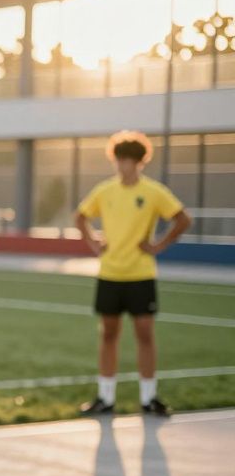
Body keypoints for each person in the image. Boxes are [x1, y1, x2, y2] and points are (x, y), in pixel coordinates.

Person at [75, 131, 192, 417]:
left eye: (128, 160)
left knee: (145, 334)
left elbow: (182, 219)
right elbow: (80, 216)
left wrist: (158, 245)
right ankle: (105, 398)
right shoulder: (105, 190)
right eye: (119, 159)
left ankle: (149, 398)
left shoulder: (153, 191)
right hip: (110, 274)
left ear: (140, 162)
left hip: (141, 274)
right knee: (108, 335)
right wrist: (93, 242)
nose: (122, 165)